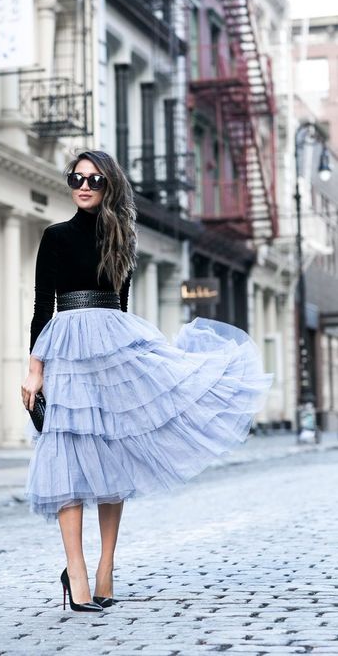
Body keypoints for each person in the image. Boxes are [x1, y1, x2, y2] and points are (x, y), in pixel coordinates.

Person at [21, 150, 272, 612]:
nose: (83, 185)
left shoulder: (123, 242)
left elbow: (122, 305)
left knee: (113, 459)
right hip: (67, 351)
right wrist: (35, 368)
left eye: (94, 179)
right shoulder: (54, 237)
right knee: (67, 459)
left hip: (113, 347)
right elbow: (42, 307)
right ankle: (75, 573)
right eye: (76, 177)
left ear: (109, 185)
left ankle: (105, 570)